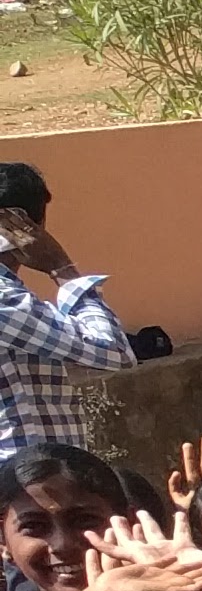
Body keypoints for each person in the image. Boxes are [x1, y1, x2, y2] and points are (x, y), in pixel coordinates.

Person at [0, 161, 133, 455]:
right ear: (22, 224)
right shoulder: (5, 299)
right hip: (22, 481)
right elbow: (113, 351)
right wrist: (62, 267)